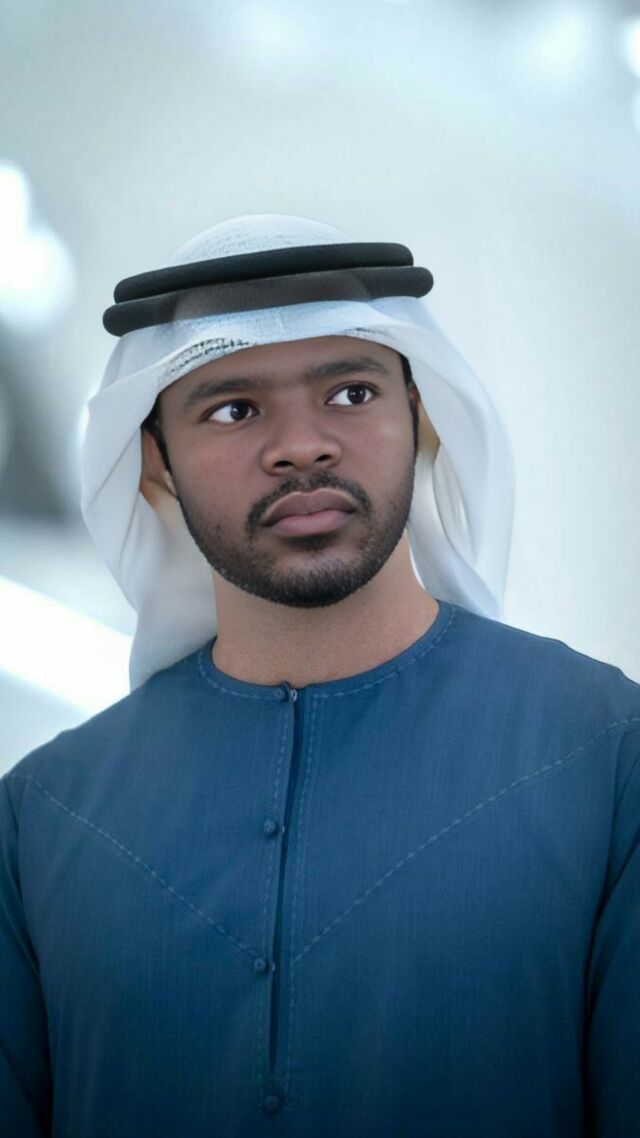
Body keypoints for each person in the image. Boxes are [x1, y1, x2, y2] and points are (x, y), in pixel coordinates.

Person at [1, 215, 638, 1138]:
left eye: (350, 392)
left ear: (420, 418)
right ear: (152, 463)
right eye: (233, 409)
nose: (302, 446)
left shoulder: (606, 758)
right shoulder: (40, 820)